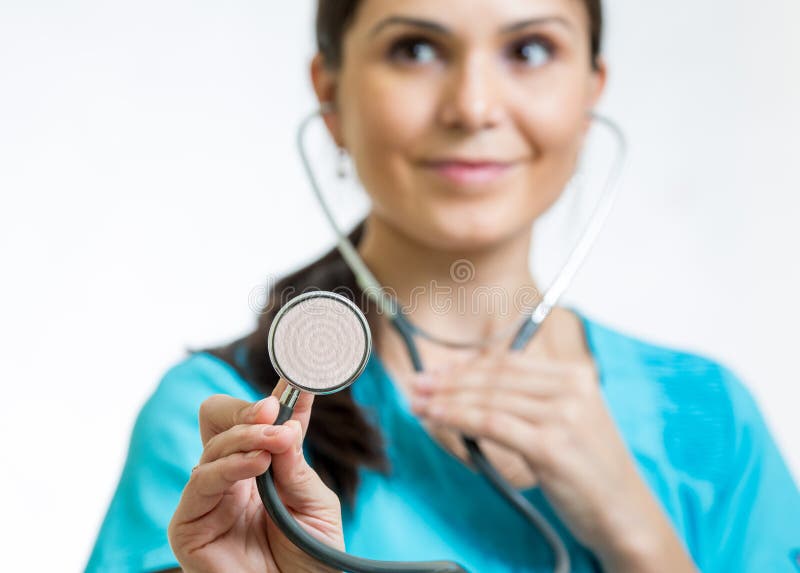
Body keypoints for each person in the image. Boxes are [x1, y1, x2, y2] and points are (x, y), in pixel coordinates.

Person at [85, 0, 800, 571]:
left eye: (529, 50)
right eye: (416, 49)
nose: (473, 106)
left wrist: (640, 538)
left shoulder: (710, 416)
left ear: (590, 94)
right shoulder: (224, 429)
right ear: (330, 93)